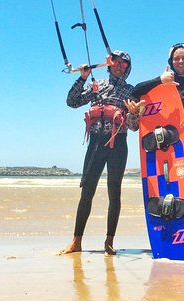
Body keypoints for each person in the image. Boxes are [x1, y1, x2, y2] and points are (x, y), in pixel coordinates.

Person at [126, 43, 184, 254]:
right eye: (176, 59)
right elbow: (135, 91)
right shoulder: (162, 85)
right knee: (165, 190)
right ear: (170, 62)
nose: (180, 62)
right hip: (164, 147)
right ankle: (167, 235)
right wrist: (159, 80)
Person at [58, 50, 139, 256]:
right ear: (110, 64)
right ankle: (76, 241)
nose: (120, 67)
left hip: (118, 145)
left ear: (128, 69)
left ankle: (109, 242)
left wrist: (134, 112)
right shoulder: (97, 85)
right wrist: (82, 77)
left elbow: (134, 127)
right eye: (117, 63)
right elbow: (72, 102)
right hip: (95, 144)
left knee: (115, 193)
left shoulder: (131, 92)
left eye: (124, 65)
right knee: (87, 192)